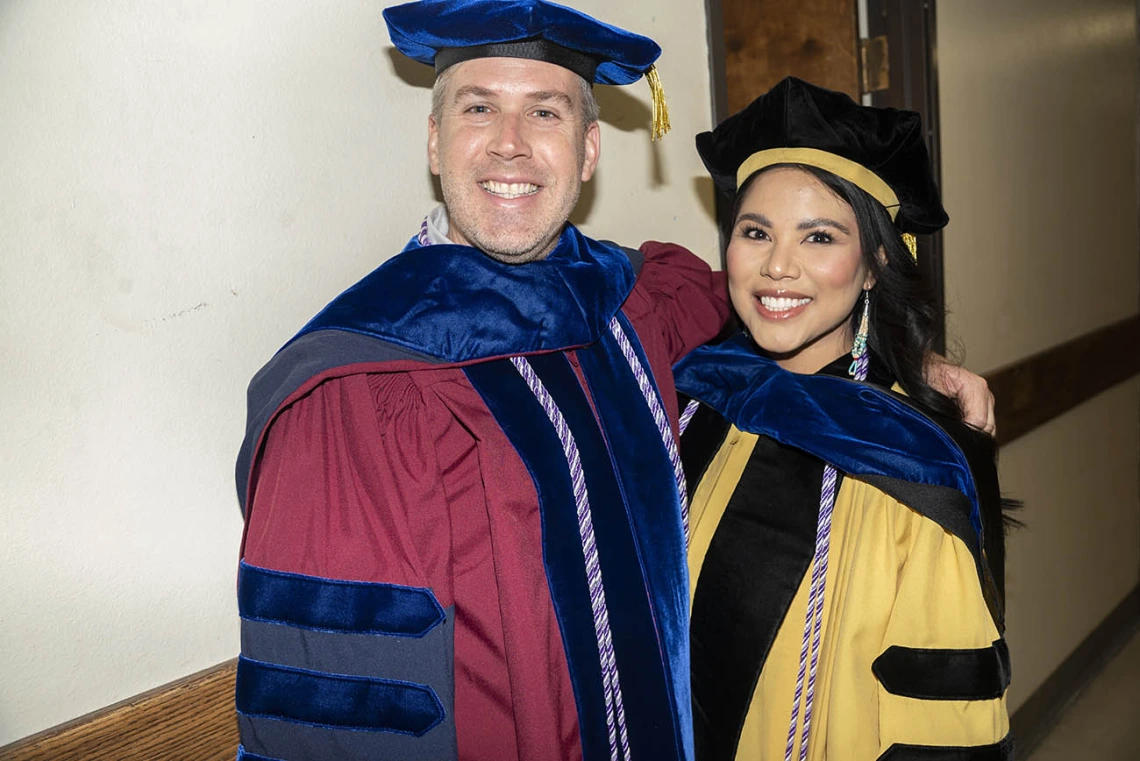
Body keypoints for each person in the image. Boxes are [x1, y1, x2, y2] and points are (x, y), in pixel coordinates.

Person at [233, 2, 996, 758]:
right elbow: (340, 719)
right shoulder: (354, 396)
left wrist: (903, 365)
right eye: (478, 108)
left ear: (589, 148)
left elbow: (769, 310)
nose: (511, 145)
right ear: (434, 141)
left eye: (545, 111)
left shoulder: (630, 304)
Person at [676, 77, 1011, 761]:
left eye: (819, 236)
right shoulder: (698, 398)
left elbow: (941, 730)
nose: (777, 266)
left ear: (872, 265)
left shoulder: (914, 461)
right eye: (755, 231)